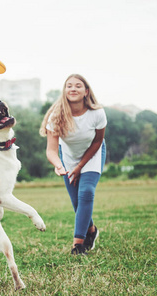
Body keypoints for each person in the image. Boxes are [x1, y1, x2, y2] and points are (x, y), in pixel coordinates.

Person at [39, 74, 107, 255]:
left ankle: (78, 245)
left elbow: (98, 141)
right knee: (77, 203)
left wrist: (79, 168)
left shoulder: (97, 113)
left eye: (78, 86)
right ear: (65, 91)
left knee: (86, 193)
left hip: (93, 154)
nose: (73, 88)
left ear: (86, 91)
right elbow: (51, 150)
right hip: (68, 158)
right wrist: (59, 165)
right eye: (69, 86)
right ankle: (91, 231)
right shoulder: (56, 116)